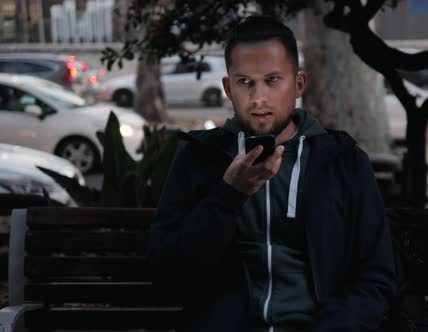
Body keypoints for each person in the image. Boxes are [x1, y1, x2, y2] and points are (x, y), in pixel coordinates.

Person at [149, 16, 396, 332]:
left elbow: (376, 279)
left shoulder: (342, 162)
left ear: (298, 85)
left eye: (273, 80)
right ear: (227, 87)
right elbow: (167, 273)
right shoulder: (200, 159)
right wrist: (228, 196)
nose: (258, 98)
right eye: (245, 82)